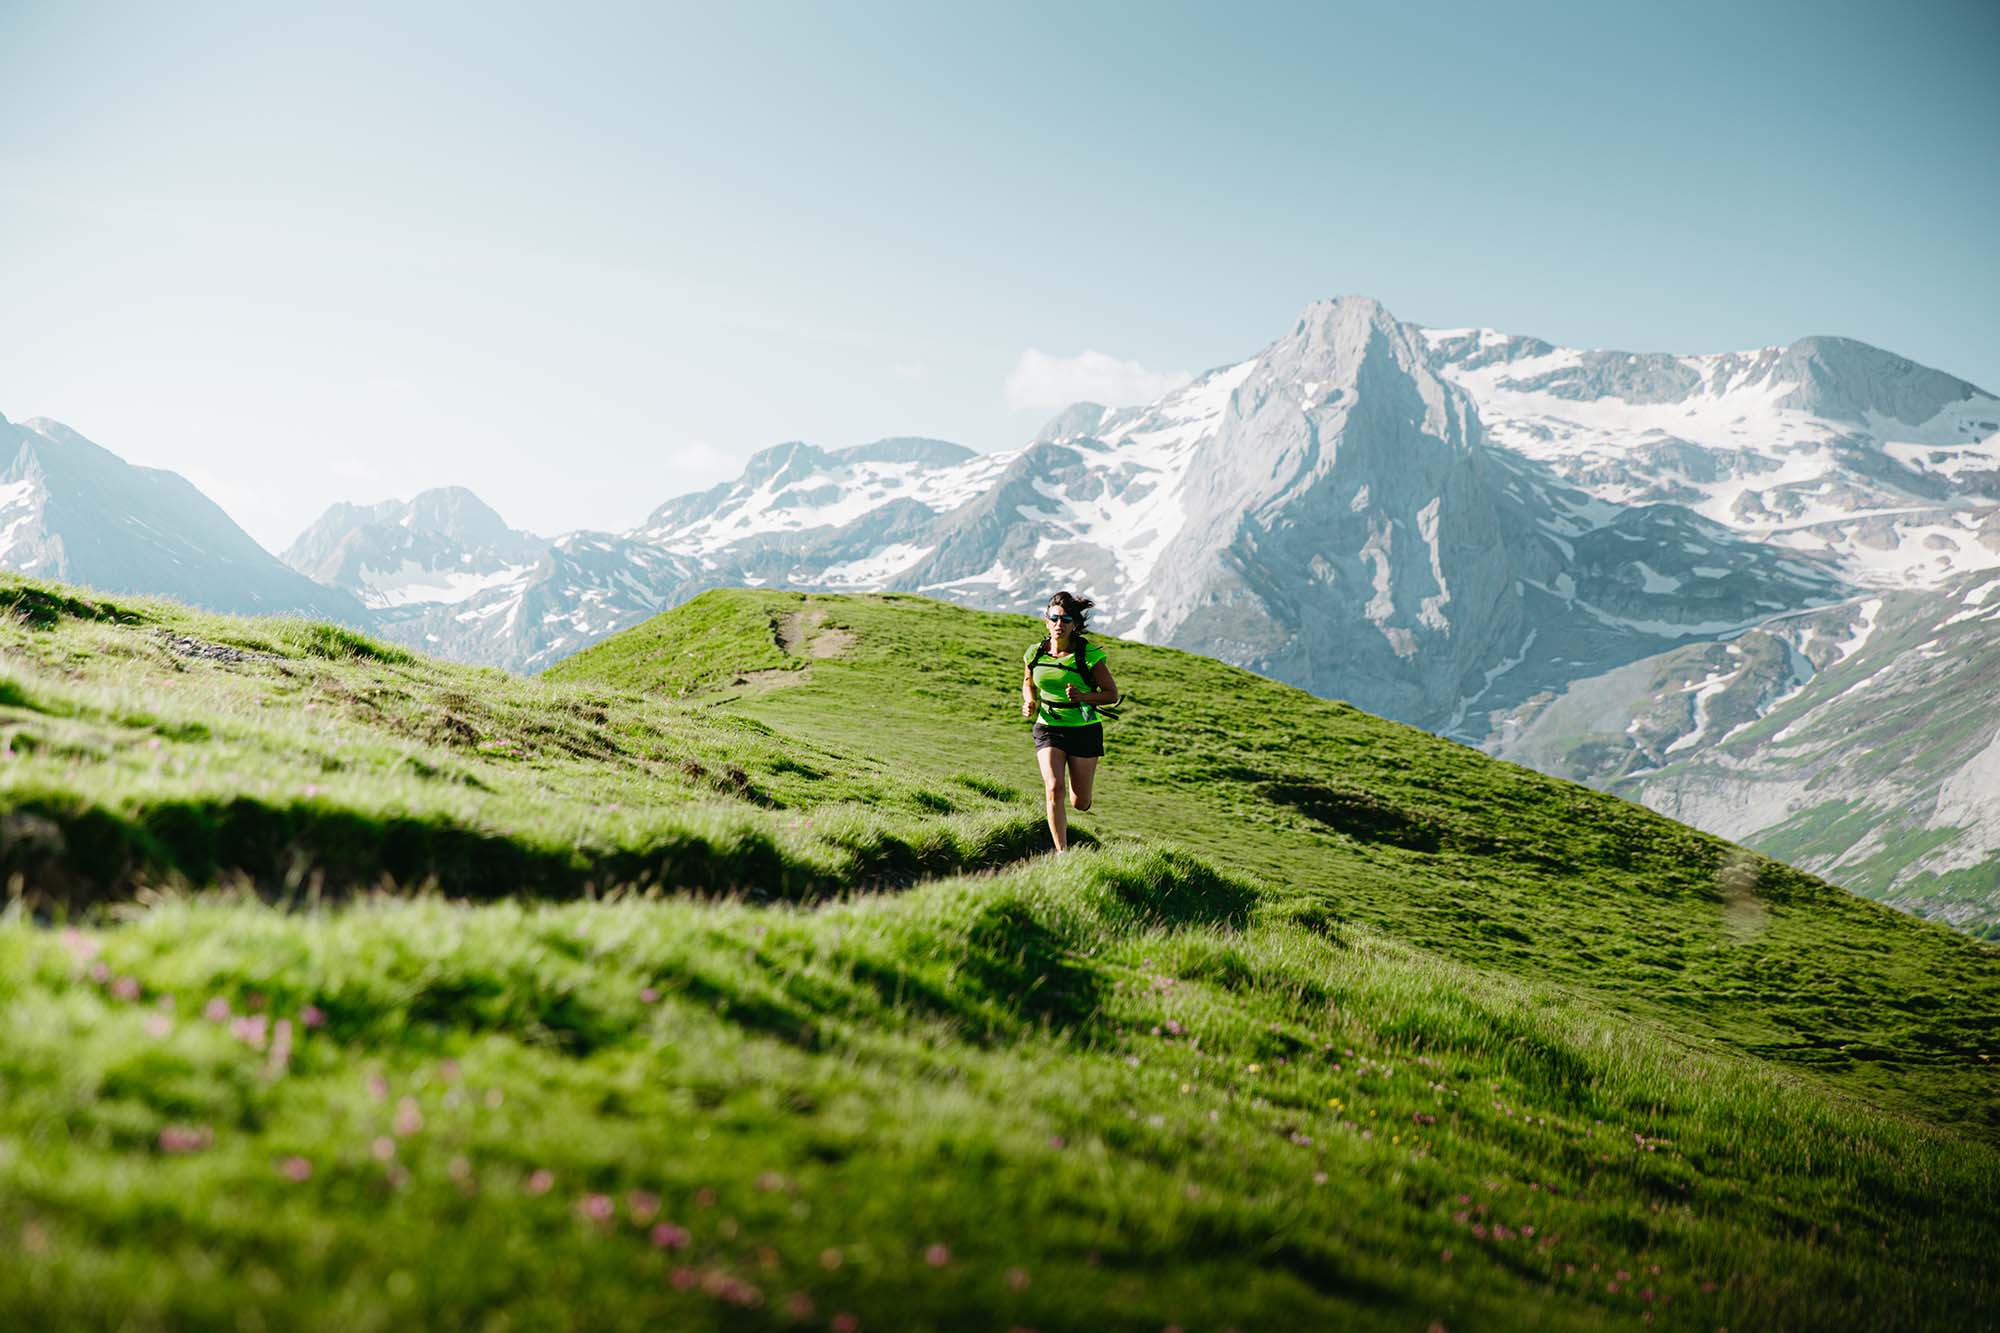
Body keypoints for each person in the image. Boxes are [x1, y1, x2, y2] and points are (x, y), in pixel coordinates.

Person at [1021, 591, 1119, 853]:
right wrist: (1029, 701)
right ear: (1046, 620)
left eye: (1065, 619)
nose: (1058, 624)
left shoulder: (1089, 655)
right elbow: (1028, 682)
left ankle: (1082, 802)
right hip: (1048, 726)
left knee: (1080, 801)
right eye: (1054, 618)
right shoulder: (1035, 653)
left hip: (1084, 729)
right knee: (1054, 787)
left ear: (1075, 624)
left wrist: (1083, 696)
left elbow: (1111, 694)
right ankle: (1062, 853)